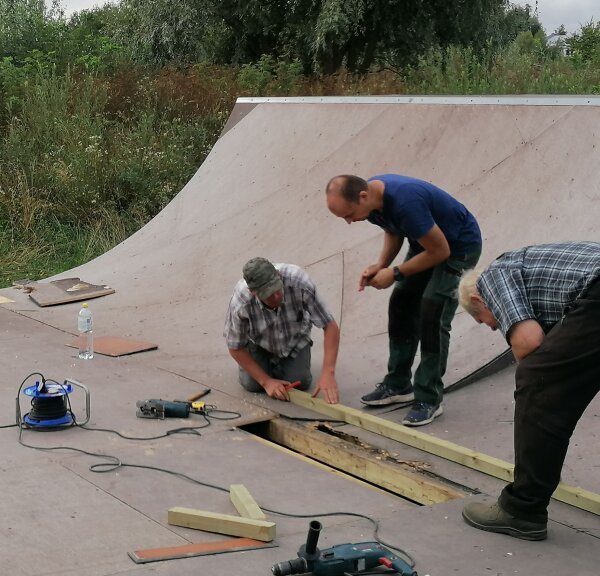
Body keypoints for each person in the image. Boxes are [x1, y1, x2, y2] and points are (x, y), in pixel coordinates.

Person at [457, 241, 600, 541]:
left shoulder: (491, 278)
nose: (493, 327)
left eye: (484, 322)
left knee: (538, 380)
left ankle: (522, 510)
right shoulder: (530, 271)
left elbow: (529, 342)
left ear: (478, 301)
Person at [326, 174, 481, 426]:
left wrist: (396, 273)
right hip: (426, 245)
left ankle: (429, 398)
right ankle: (398, 385)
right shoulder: (371, 201)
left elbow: (441, 251)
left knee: (433, 313)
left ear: (362, 197)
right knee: (401, 304)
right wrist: (381, 265)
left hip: (458, 248)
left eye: (349, 214)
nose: (349, 221)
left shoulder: (406, 202)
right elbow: (393, 229)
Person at [224, 257, 340, 403]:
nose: (276, 296)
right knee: (252, 385)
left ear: (279, 275)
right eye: (269, 295)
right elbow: (235, 347)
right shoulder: (241, 302)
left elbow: (330, 326)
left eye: (277, 289)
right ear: (254, 293)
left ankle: (279, 366)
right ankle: (266, 366)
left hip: (294, 339)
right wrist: (266, 382)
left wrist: (328, 373)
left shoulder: (299, 282)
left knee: (300, 382)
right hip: (259, 342)